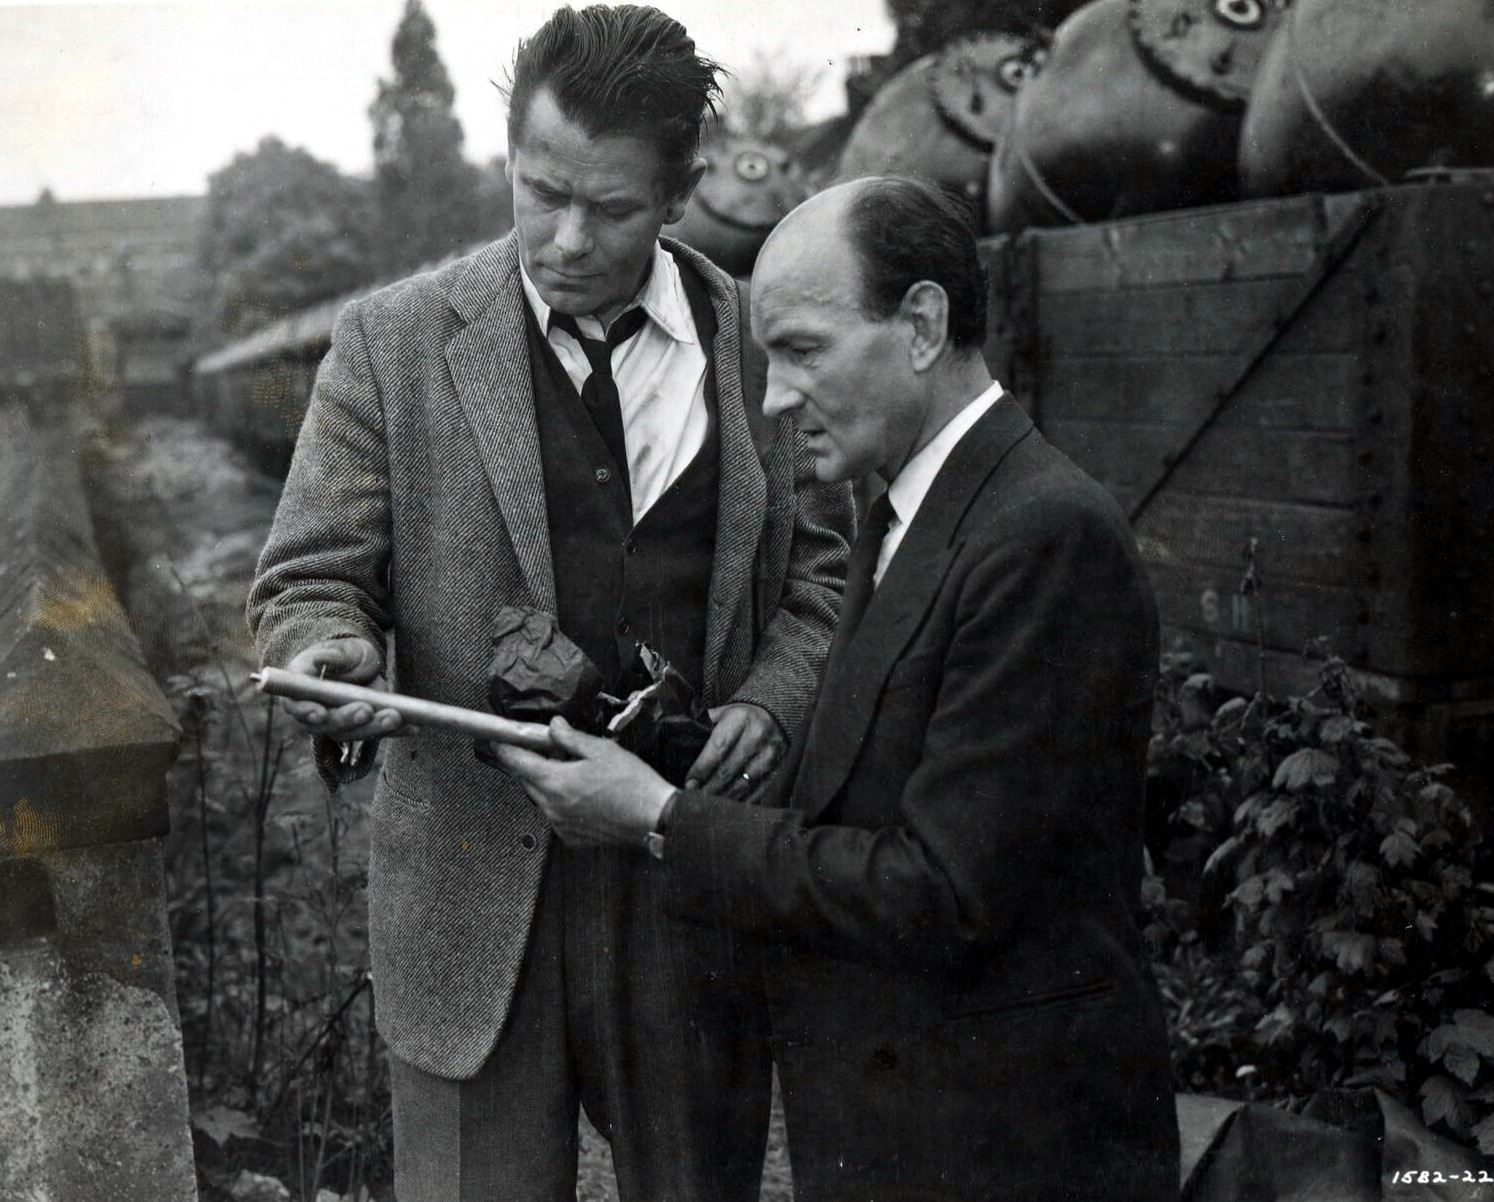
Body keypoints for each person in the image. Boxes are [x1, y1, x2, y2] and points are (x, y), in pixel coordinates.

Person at [246, 6, 852, 1199]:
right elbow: (307, 576)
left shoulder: (749, 340)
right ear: (510, 157)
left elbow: (825, 572)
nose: (566, 239)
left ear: (680, 192)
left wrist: (776, 704)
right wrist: (333, 656)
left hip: (687, 883)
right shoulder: (393, 342)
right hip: (472, 900)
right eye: (539, 191)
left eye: (614, 209)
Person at [495, 175, 1182, 1202]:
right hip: (924, 1133)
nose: (772, 398)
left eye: (804, 350)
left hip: (1010, 1150)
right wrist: (664, 743)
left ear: (920, 324)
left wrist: (658, 818)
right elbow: (863, 789)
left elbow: (940, 890)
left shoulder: (1044, 535)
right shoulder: (909, 509)